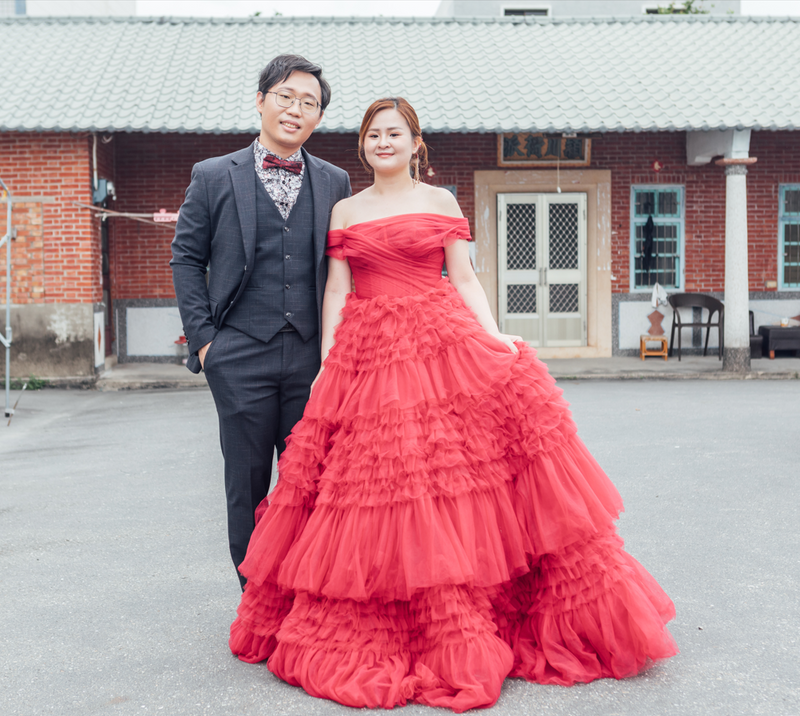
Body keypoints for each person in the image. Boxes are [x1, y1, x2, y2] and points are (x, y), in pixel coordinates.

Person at [228, 97, 678, 712]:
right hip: (368, 349)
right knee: (381, 483)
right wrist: (330, 360)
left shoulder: (441, 201)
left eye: (394, 134)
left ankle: (471, 608)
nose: (383, 143)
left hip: (439, 339)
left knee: (458, 475)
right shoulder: (346, 208)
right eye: (373, 135)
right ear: (363, 146)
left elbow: (462, 278)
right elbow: (336, 288)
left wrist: (493, 336)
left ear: (415, 143)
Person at [170, 55, 351, 590]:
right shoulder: (212, 175)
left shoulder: (336, 181)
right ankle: (254, 597)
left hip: (311, 358)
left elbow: (344, 270)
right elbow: (186, 259)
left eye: (308, 103)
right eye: (285, 97)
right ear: (261, 100)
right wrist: (206, 344)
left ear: (319, 117)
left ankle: (303, 597)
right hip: (238, 353)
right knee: (245, 486)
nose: (295, 109)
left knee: (310, 485)